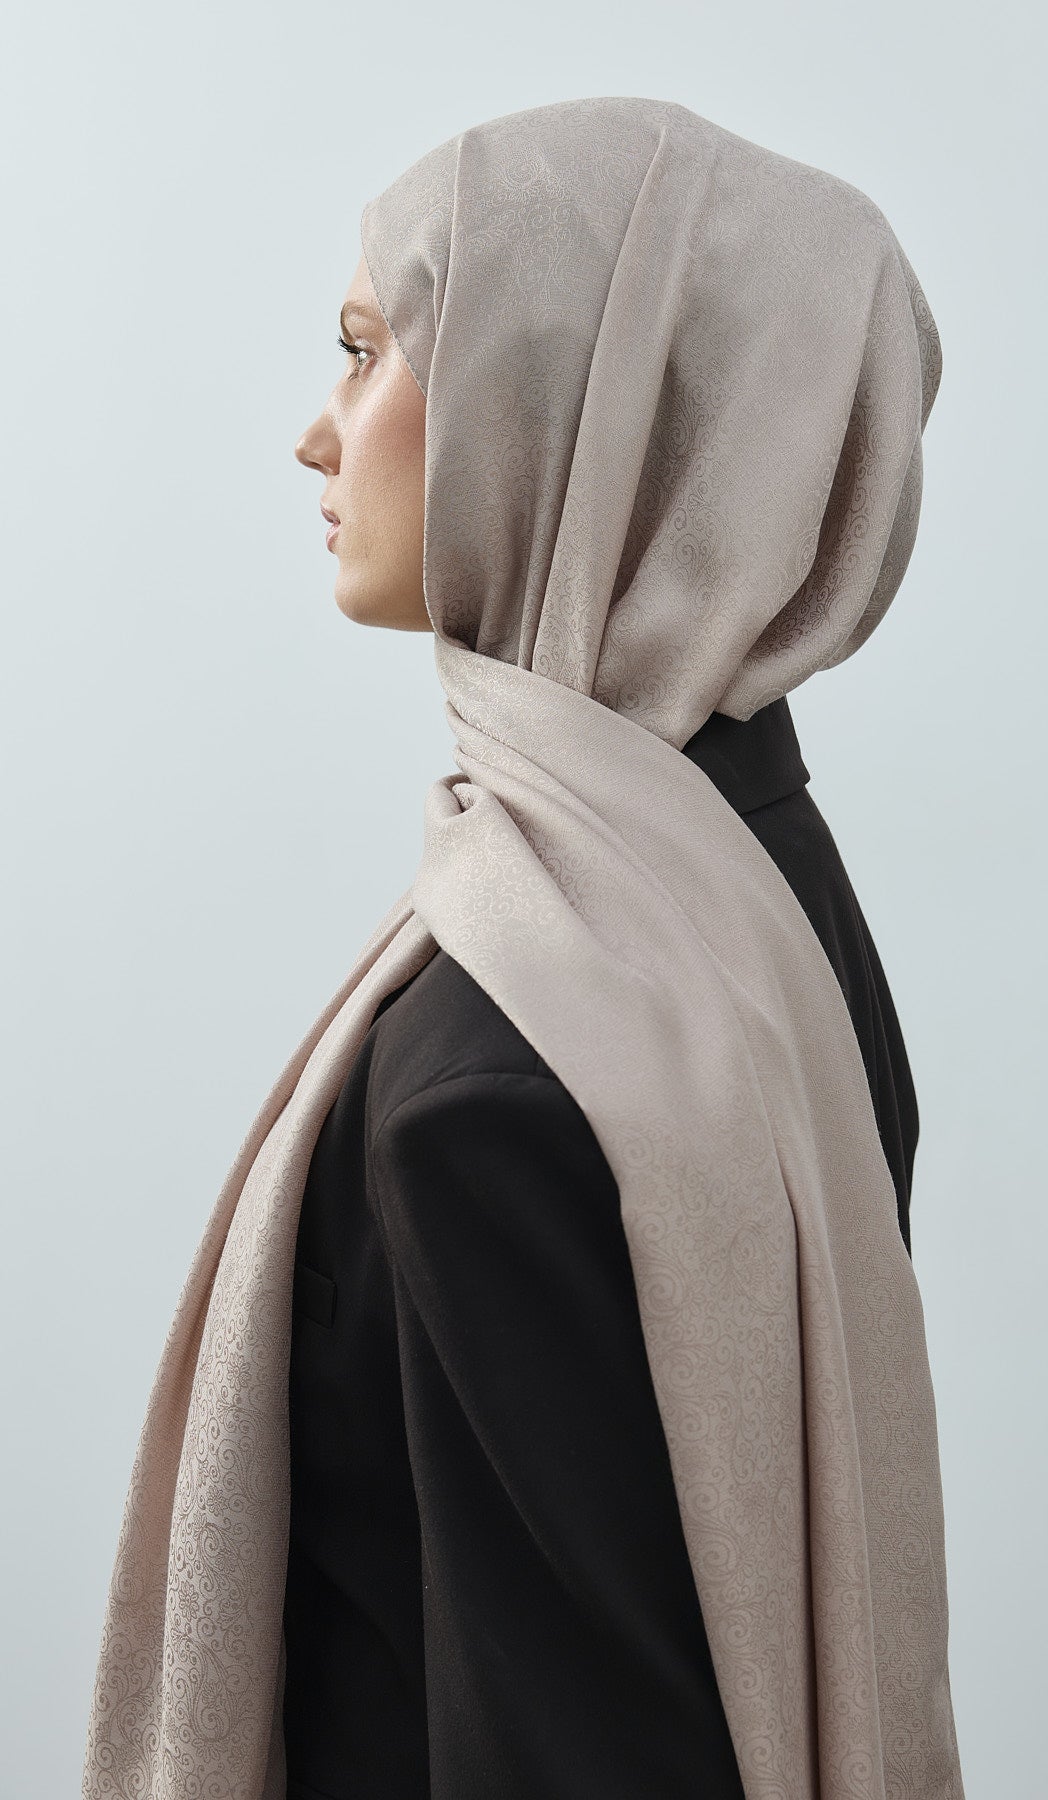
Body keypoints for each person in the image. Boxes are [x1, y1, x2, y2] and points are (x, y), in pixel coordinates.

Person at [82, 97, 963, 1800]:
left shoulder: (508, 1085)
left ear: (565, 410)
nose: (317, 434)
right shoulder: (770, 876)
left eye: (366, 351)